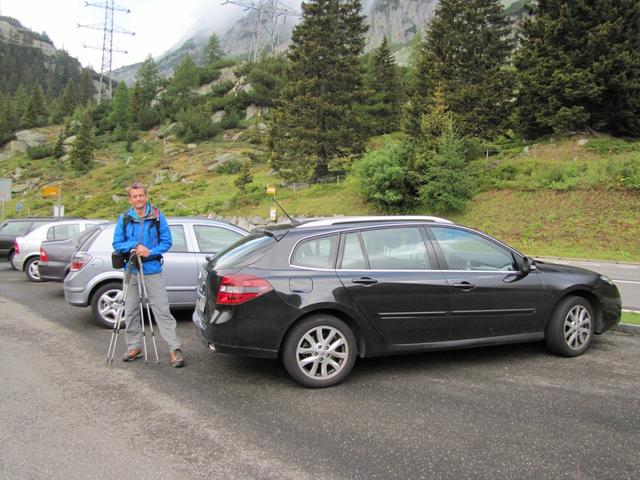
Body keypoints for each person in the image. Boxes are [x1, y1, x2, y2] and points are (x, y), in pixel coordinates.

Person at [112, 181, 184, 367]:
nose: (138, 199)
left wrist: (149, 252)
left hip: (152, 269)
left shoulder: (158, 217)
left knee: (162, 309)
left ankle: (174, 348)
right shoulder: (125, 218)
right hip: (132, 268)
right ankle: (134, 346)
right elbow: (117, 243)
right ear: (130, 199)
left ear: (146, 196)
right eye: (134, 196)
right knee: (131, 310)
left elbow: (166, 242)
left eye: (141, 195)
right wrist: (134, 246)